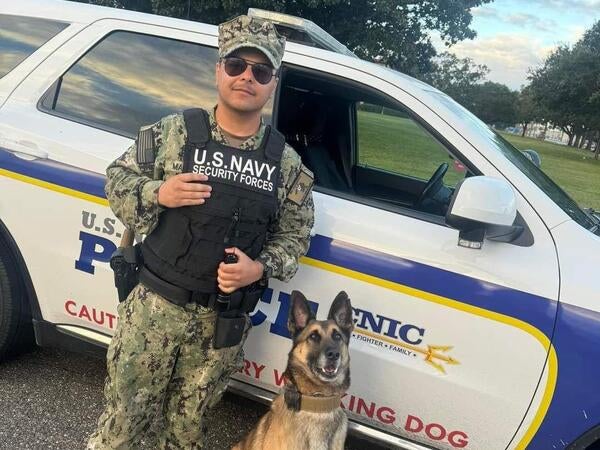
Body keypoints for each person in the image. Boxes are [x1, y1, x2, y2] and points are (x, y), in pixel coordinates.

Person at [87, 14, 314, 450]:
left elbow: (295, 236)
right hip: (152, 313)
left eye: (260, 71)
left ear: (272, 83)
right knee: (122, 430)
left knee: (186, 435)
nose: (247, 77)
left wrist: (259, 268)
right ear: (218, 70)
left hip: (219, 329)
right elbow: (117, 180)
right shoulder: (173, 135)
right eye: (236, 65)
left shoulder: (285, 165)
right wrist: (159, 192)